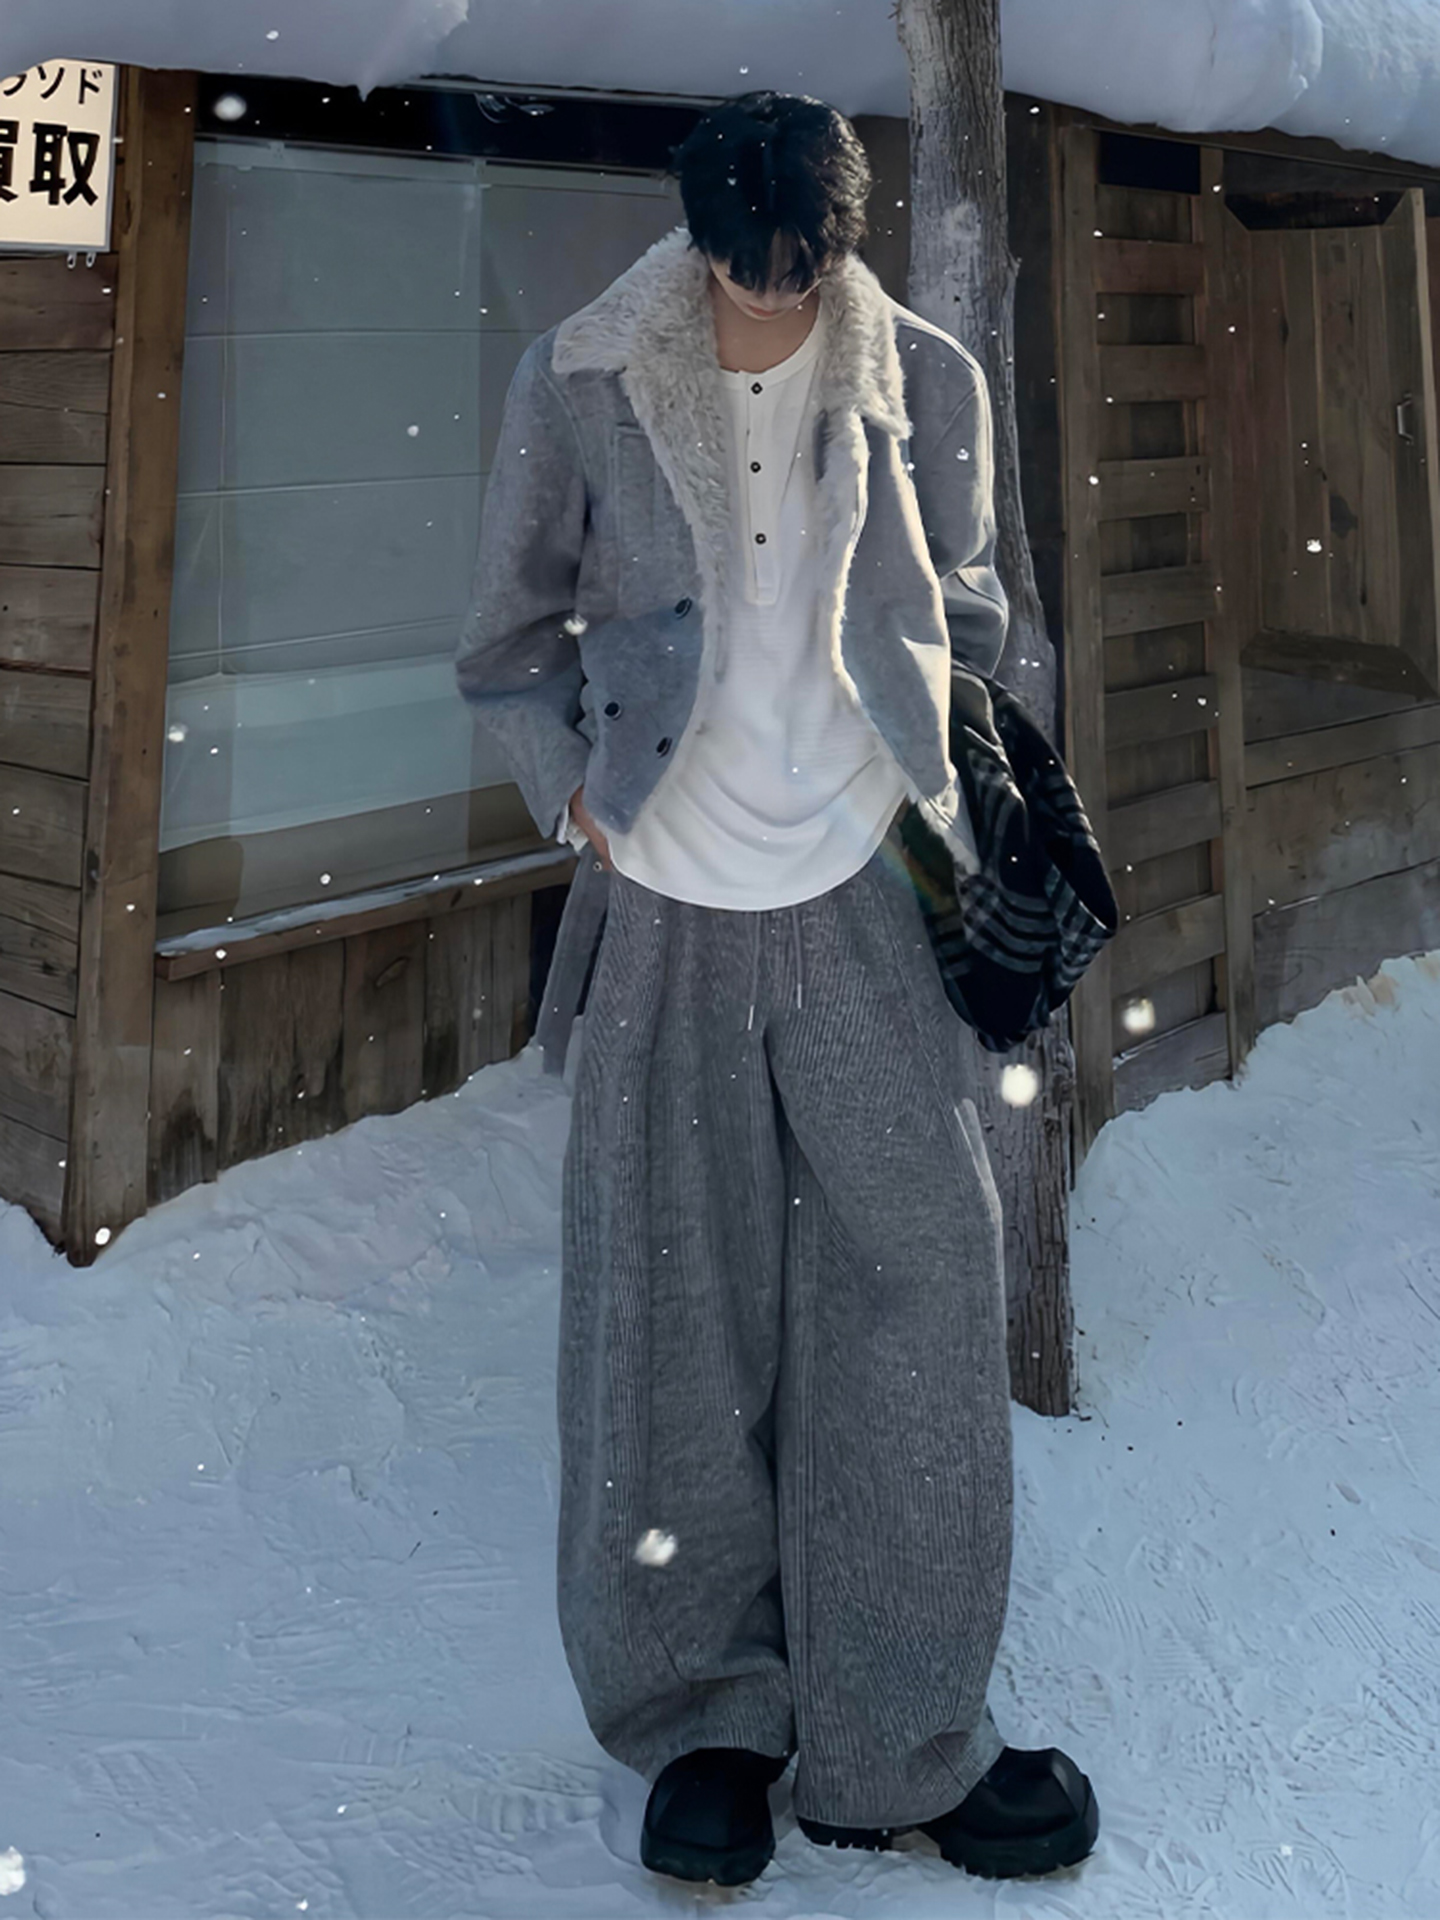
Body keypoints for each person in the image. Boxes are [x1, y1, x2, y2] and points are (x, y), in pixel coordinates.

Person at [455, 89, 1099, 1889]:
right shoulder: (581, 378)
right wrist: (568, 787)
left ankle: (901, 1736)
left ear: (842, 239)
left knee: (922, 1292)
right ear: (697, 237)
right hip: (663, 897)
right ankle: (704, 1729)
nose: (769, 298)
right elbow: (503, 644)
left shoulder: (928, 383)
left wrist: (933, 764)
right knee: (669, 1311)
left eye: (799, 269)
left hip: (869, 890)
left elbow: (968, 605)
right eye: (743, 270)